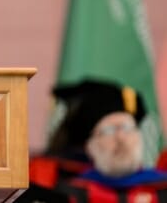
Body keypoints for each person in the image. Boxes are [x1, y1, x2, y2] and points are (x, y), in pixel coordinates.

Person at [28, 80, 167, 203]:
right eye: (108, 130)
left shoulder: (162, 188)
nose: (120, 137)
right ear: (90, 147)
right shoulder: (70, 193)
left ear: (139, 136)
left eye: (127, 128)